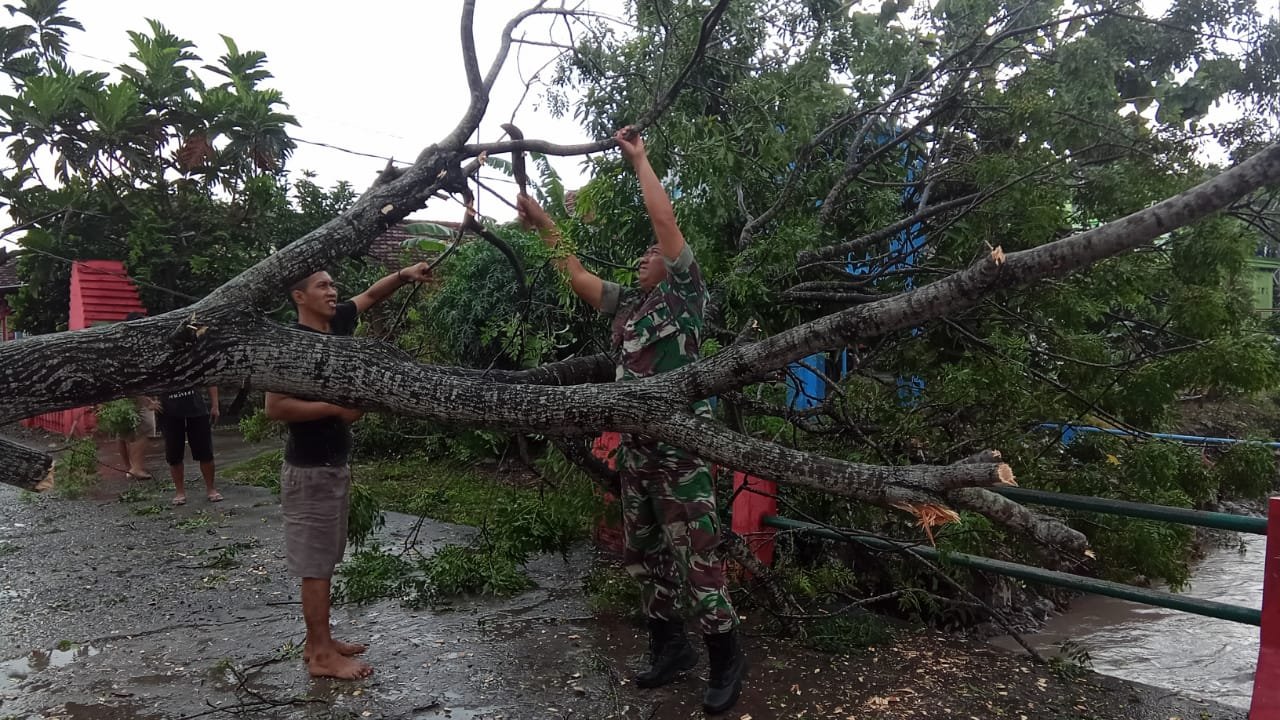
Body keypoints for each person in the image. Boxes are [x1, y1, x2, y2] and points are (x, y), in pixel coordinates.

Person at [517, 126, 747, 714]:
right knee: (644, 552)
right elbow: (578, 278)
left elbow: (665, 224)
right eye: (644, 255)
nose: (644, 257)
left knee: (697, 553)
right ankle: (670, 649)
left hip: (680, 449)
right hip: (638, 451)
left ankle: (726, 655)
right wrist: (545, 225)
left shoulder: (685, 297)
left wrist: (640, 159)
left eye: (649, 255)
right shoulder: (633, 306)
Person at [265, 261, 432, 680]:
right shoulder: (291, 343)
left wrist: (404, 274)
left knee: (326, 559)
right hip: (308, 470)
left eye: (333, 284)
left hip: (331, 465)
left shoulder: (336, 325)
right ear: (298, 296)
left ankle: (317, 640)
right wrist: (337, 409)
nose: (332, 291)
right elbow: (275, 407)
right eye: (322, 286)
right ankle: (322, 656)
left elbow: (371, 296)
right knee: (316, 566)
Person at [156, 386, 221, 505]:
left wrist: (215, 405)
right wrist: (148, 402)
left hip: (196, 409)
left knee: (205, 451)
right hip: (169, 412)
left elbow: (210, 380)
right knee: (173, 453)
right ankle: (180, 492)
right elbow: (144, 380)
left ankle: (211, 489)